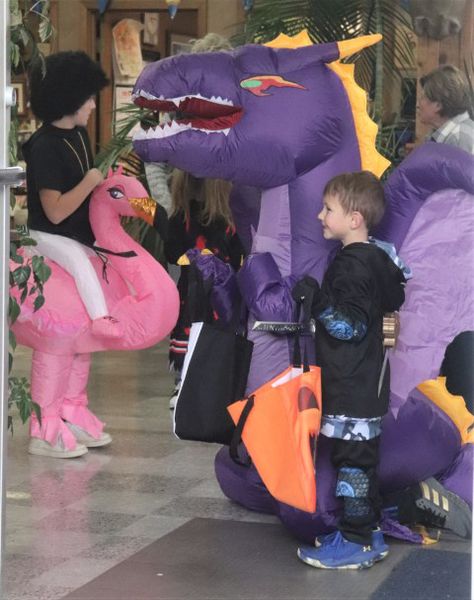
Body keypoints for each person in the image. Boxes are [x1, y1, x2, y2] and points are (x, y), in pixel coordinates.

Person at [292, 171, 409, 570]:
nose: (320, 215)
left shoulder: (352, 266)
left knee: (352, 460)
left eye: (328, 209)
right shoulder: (376, 258)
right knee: (359, 458)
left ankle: (358, 542)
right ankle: (367, 530)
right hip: (365, 382)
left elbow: (350, 326)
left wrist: (316, 299)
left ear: (354, 218)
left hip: (351, 383)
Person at [24, 50, 120, 339]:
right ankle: (101, 318)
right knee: (78, 259)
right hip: (47, 234)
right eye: (88, 98)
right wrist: (90, 181)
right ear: (69, 99)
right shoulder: (43, 146)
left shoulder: (79, 133)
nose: (93, 105)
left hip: (78, 232)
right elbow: (54, 212)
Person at [165, 170, 244, 408]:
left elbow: (171, 253)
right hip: (208, 291)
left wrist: (192, 259)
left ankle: (186, 382)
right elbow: (238, 256)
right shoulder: (226, 221)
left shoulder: (181, 218)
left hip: (199, 291)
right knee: (206, 332)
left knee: (189, 331)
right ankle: (194, 383)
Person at [417, 64, 474, 154]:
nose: (418, 104)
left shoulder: (458, 138)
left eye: (423, 97)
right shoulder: (437, 134)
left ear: (438, 105)